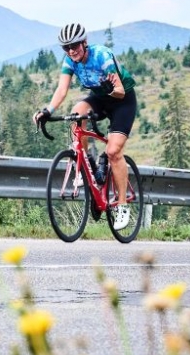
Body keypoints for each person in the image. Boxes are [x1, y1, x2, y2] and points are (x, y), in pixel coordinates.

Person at [33, 23, 138, 230]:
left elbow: (119, 91)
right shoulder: (70, 61)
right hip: (99, 98)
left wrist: (110, 89)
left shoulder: (102, 56)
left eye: (75, 45)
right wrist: (48, 111)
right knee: (76, 112)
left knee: (114, 151)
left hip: (122, 101)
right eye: (66, 47)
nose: (71, 50)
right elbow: (62, 90)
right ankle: (86, 164)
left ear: (84, 42)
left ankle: (123, 206)